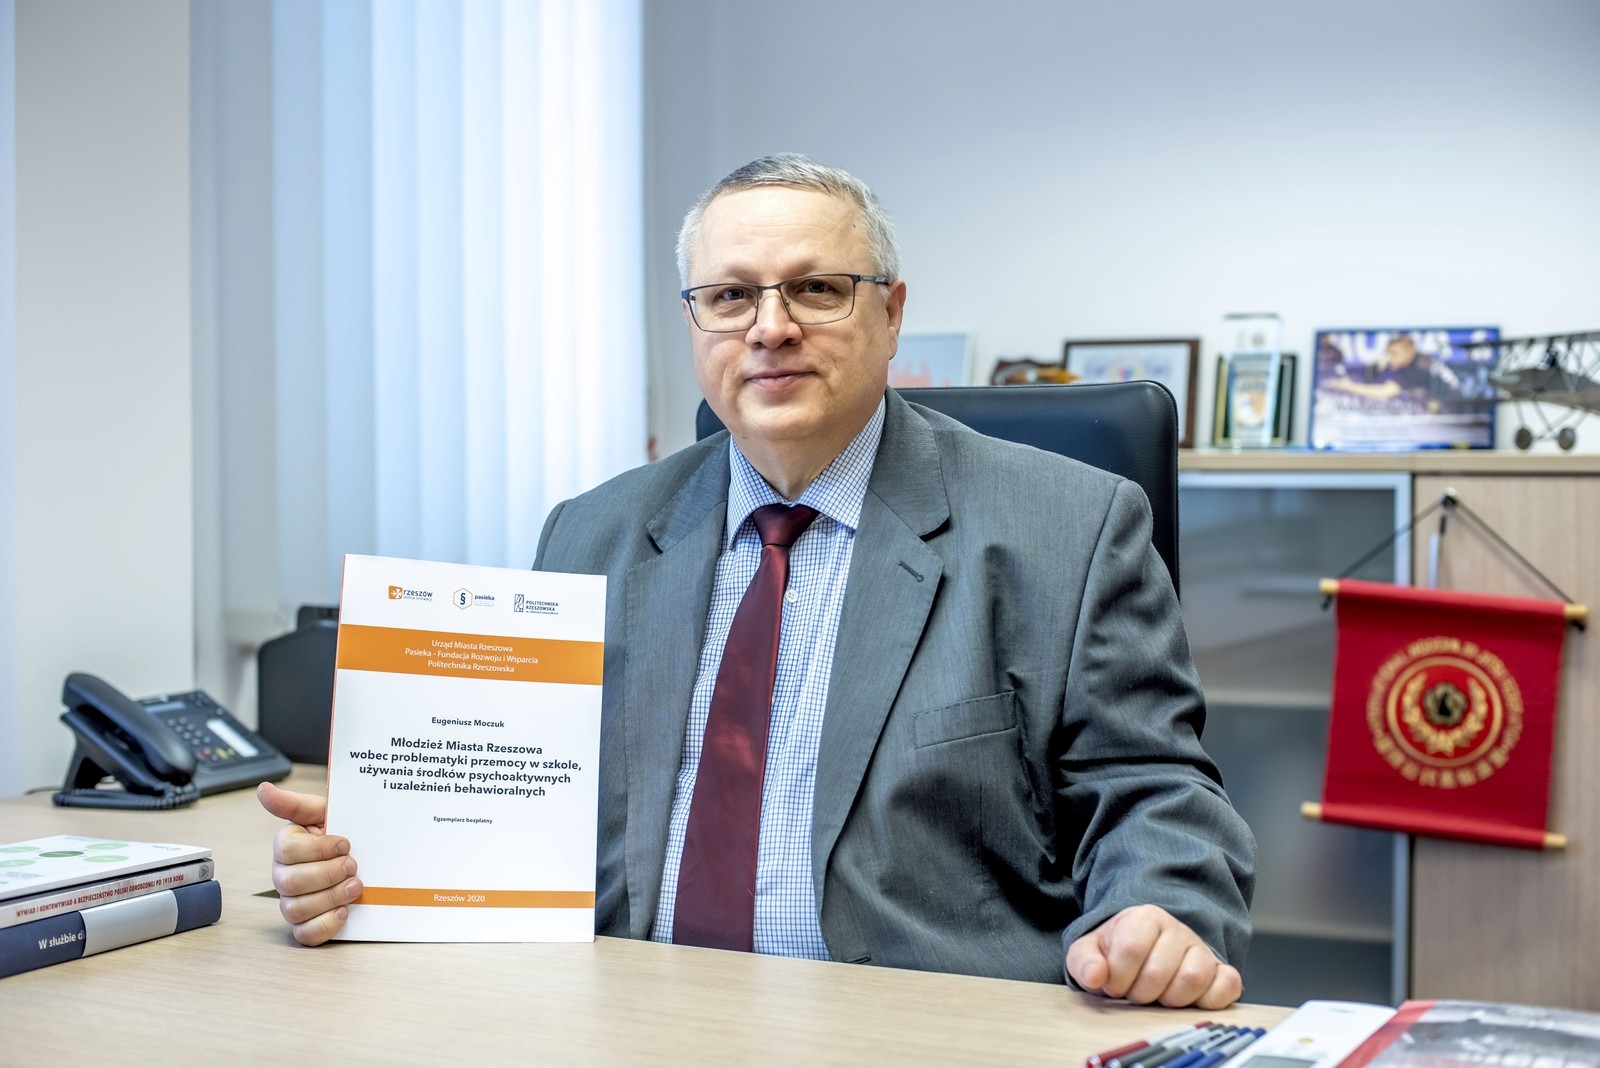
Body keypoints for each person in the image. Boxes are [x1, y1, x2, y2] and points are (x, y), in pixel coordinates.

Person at [261, 154, 1256, 1010]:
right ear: (695, 322)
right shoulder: (592, 533)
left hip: (917, 1027)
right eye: (730, 296)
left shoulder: (1067, 526)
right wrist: (376, 860)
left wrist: (1158, 910)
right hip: (617, 1016)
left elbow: (1148, 787)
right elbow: (526, 810)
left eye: (816, 289)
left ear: (891, 313)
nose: (769, 327)